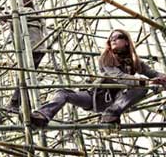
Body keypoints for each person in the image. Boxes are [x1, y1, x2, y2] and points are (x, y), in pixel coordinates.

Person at [30, 29, 166, 127]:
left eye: (117, 37)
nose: (112, 39)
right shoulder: (106, 59)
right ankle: (43, 115)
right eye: (110, 38)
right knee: (63, 93)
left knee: (142, 89)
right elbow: (119, 77)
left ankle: (111, 113)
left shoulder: (135, 61)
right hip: (95, 97)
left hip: (117, 101)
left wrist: (161, 78)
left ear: (126, 41)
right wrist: (145, 81)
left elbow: (152, 73)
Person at [6, 0, 47, 113]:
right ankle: (26, 104)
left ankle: (15, 102)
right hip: (39, 48)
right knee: (28, 78)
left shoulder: (27, 11)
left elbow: (13, 19)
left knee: (24, 77)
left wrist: (7, 15)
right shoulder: (37, 15)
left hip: (32, 48)